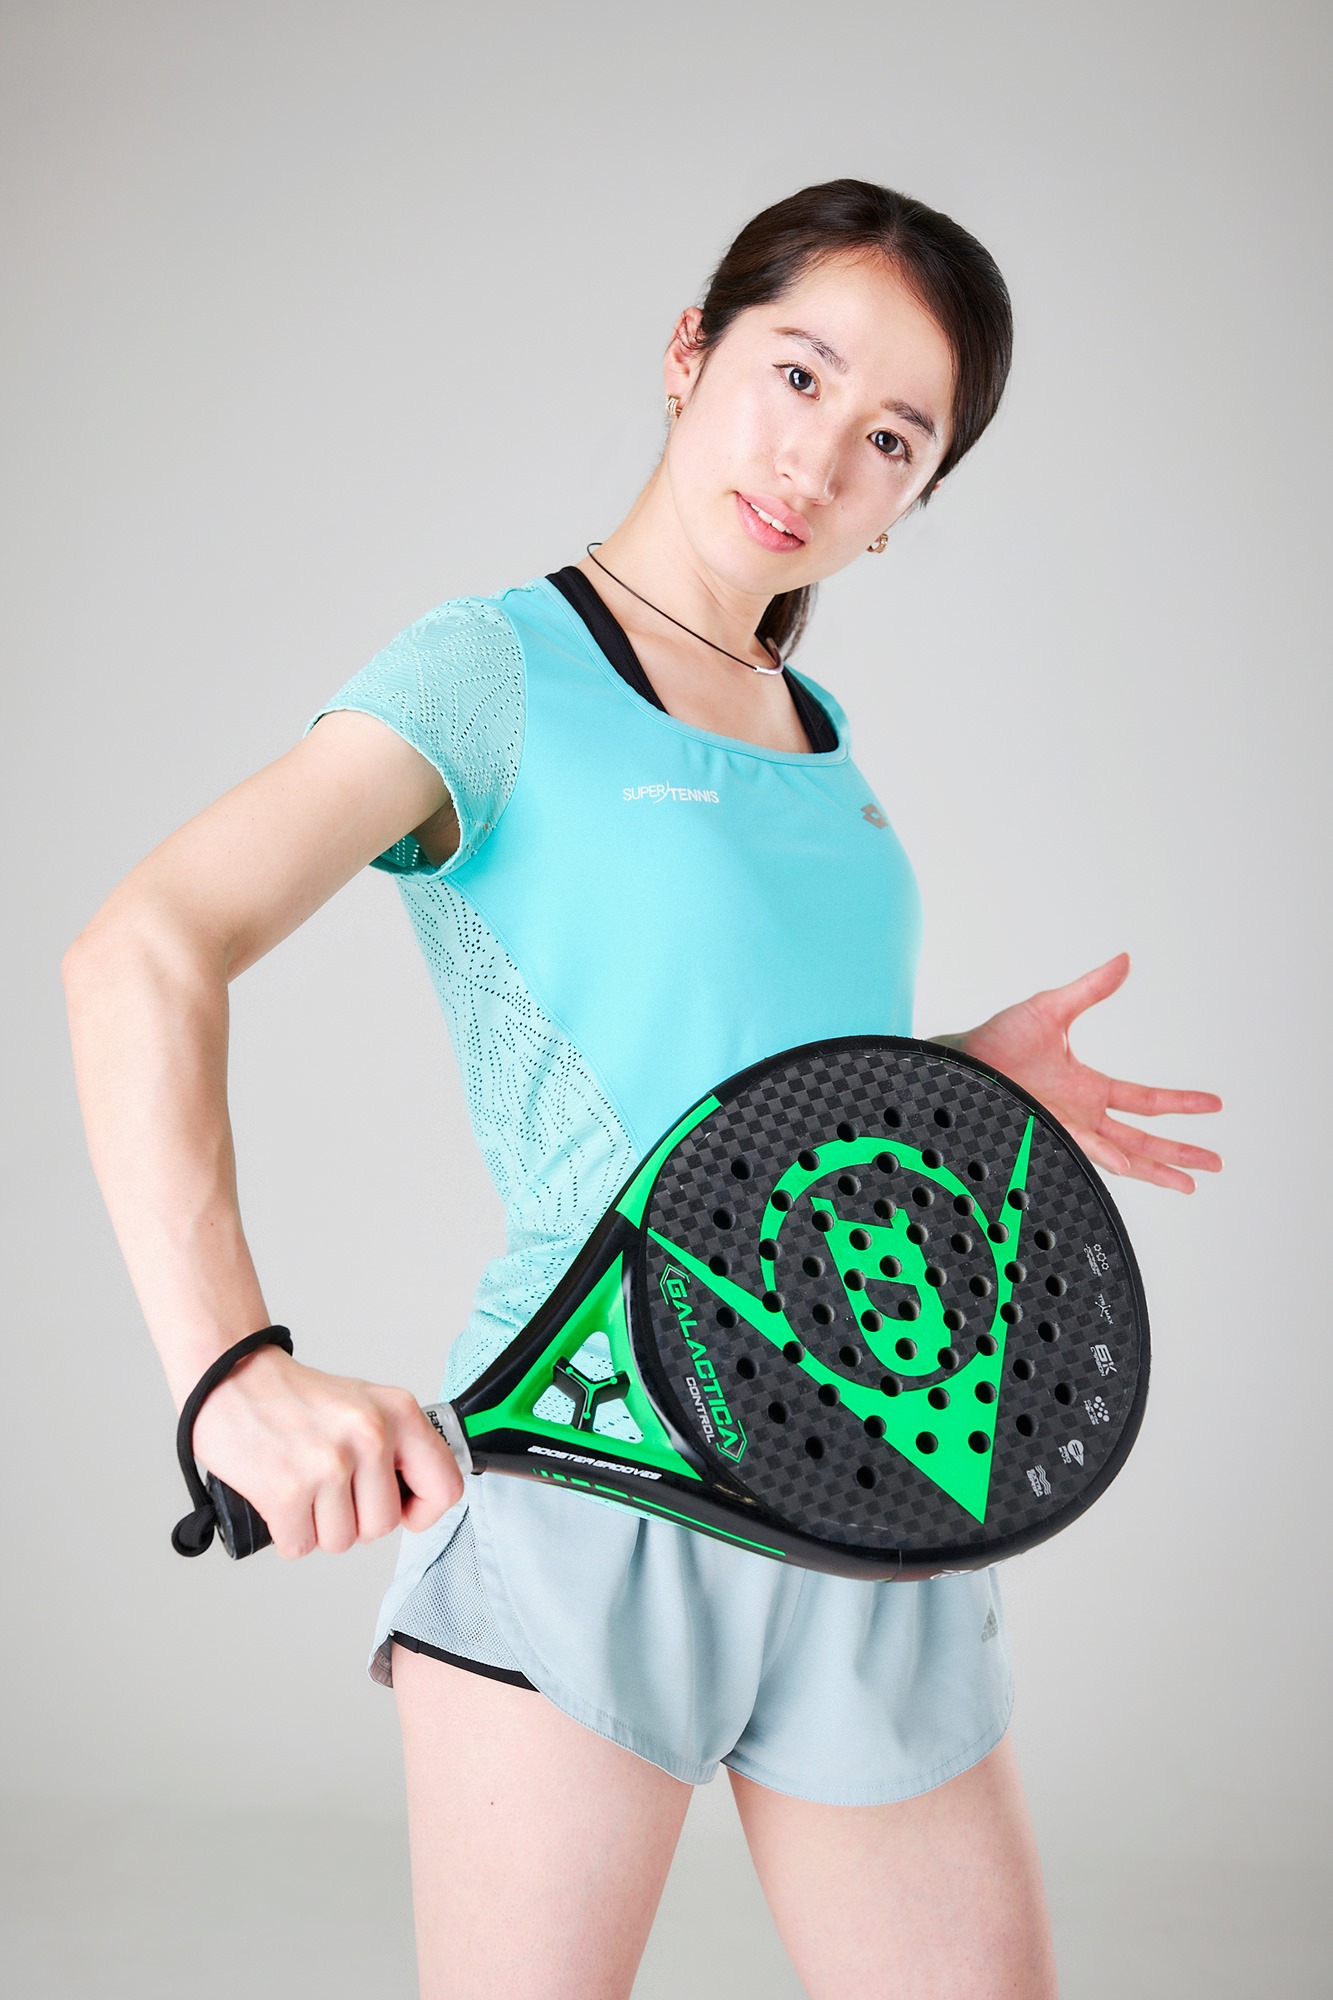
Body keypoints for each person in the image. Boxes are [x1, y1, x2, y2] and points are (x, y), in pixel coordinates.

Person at [63, 178, 1223, 1999]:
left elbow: (733, 1104)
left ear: (913, 499)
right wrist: (230, 1375)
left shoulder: (821, 740)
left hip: (880, 1500)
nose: (819, 457)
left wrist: (943, 1085)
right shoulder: (494, 671)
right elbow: (142, 946)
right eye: (796, 373)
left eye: (892, 437)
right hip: (593, 1476)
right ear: (689, 352)